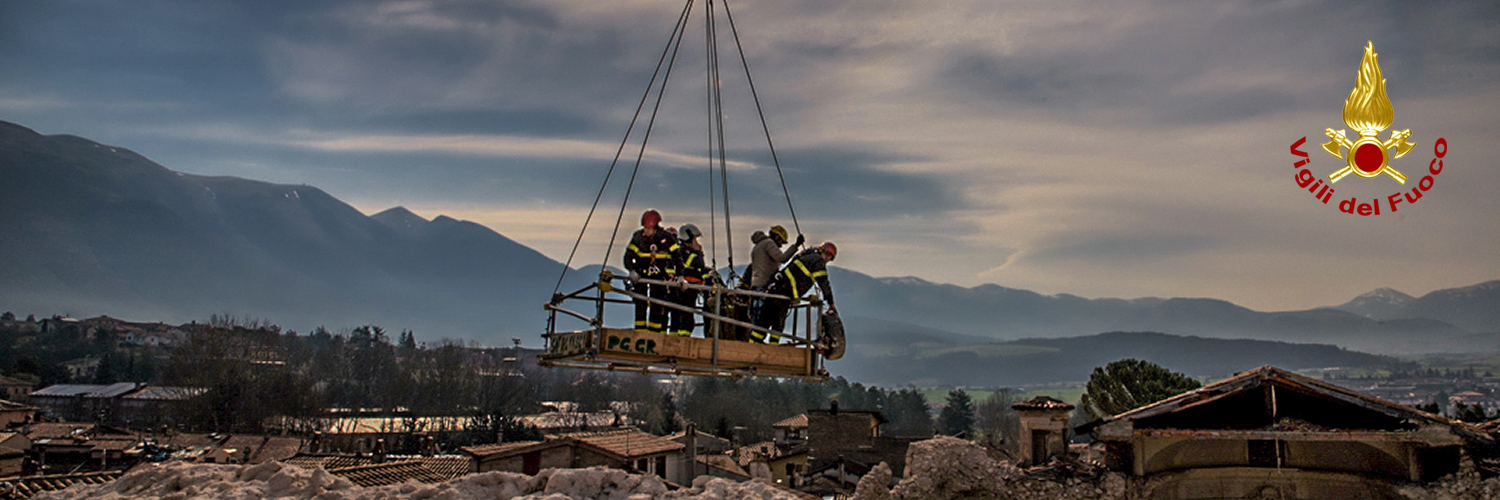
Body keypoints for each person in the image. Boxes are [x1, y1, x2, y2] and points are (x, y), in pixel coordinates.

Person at [753, 241, 838, 343]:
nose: (827, 259)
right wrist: (831, 303)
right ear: (823, 252)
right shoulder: (818, 262)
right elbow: (824, 283)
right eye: (828, 256)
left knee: (763, 322)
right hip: (785, 294)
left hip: (776, 289)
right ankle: (772, 351)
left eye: (830, 258)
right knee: (778, 326)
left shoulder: (806, 255)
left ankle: (751, 347)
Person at [623, 209, 679, 333]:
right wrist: (632, 270)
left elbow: (677, 258)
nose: (646, 232)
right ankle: (640, 333)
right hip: (641, 276)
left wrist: (680, 276)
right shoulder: (638, 237)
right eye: (645, 228)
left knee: (656, 305)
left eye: (648, 229)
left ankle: (654, 334)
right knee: (640, 304)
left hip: (658, 277)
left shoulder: (666, 238)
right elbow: (628, 256)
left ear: (656, 227)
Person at [669, 224, 710, 336]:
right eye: (695, 240)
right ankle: (682, 340)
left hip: (689, 289)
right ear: (689, 239)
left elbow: (700, 270)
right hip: (685, 290)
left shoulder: (684, 252)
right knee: (685, 319)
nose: (698, 244)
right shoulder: (685, 253)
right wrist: (698, 253)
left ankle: (676, 339)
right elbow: (696, 264)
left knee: (679, 317)